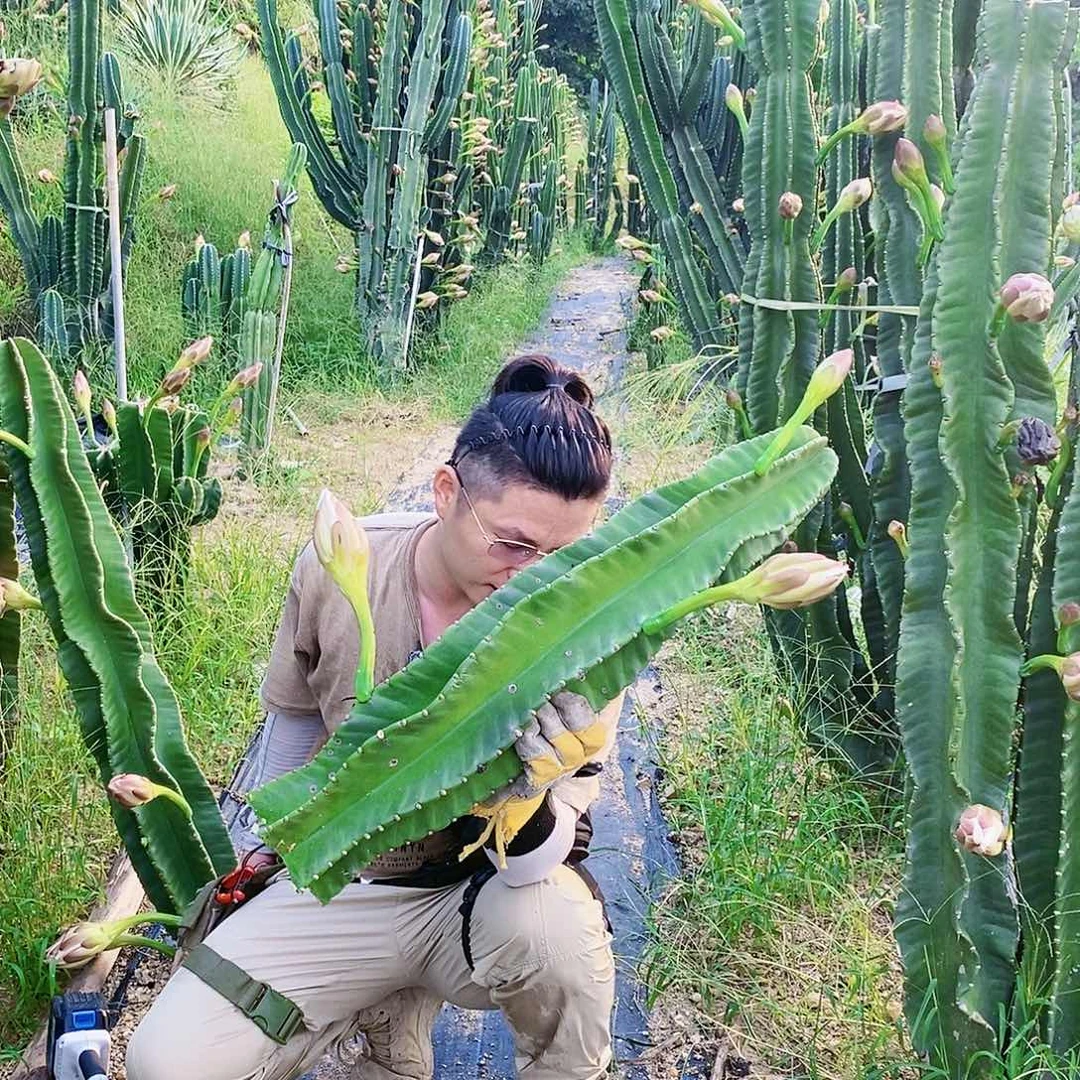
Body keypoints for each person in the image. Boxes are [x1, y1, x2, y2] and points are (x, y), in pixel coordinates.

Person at [126, 354, 624, 1080]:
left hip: (475, 900)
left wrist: (526, 796)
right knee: (167, 1063)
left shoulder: (589, 630)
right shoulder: (346, 566)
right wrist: (280, 862)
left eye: (562, 553)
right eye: (514, 543)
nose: (536, 576)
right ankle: (374, 1004)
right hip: (350, 883)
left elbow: (541, 865)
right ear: (447, 490)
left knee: (557, 938)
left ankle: (435, 1008)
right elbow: (292, 734)